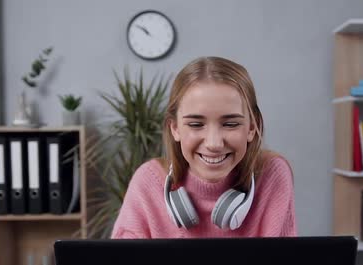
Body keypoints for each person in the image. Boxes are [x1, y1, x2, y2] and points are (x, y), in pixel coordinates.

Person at [111, 56, 296, 238]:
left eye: (230, 124)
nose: (214, 144)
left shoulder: (272, 174)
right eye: (196, 125)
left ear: (251, 127)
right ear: (175, 128)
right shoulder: (147, 181)